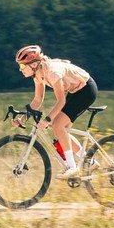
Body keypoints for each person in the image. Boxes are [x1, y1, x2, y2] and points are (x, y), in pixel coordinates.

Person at [14, 45, 98, 179]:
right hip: (75, 91)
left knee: (57, 125)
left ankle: (72, 167)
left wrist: (47, 119)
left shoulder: (52, 72)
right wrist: (23, 119)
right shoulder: (37, 75)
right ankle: (90, 161)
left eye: (23, 66)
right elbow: (38, 99)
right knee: (62, 131)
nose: (20, 69)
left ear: (34, 64)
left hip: (86, 90)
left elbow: (61, 101)